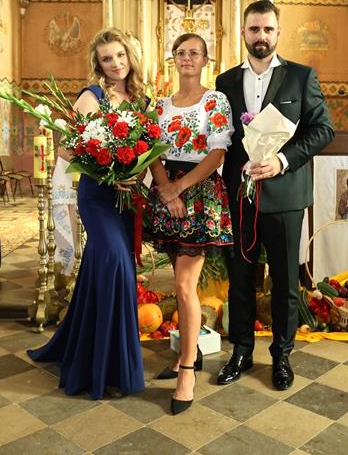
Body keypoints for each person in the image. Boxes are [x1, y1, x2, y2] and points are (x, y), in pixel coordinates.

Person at [215, 0, 334, 390]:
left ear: (278, 32)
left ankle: (282, 356)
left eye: (268, 29)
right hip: (240, 196)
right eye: (254, 29)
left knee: (284, 282)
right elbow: (221, 138)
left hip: (284, 197)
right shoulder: (225, 82)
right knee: (240, 280)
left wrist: (282, 160)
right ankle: (241, 352)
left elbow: (323, 130)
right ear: (243, 32)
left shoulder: (301, 77)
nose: (261, 36)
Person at [27, 28, 146, 400]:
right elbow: (68, 151)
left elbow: (147, 148)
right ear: (98, 64)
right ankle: (101, 367)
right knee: (115, 265)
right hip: (98, 197)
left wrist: (135, 173)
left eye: (120, 56)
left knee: (104, 269)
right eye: (107, 58)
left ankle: (91, 352)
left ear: (129, 57)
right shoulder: (91, 97)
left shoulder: (140, 99)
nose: (115, 64)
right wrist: (109, 171)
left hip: (126, 199)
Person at [145, 33, 234, 414]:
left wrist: (179, 188)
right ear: (174, 59)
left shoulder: (215, 101)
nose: (187, 58)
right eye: (180, 52)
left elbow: (217, 154)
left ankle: (186, 372)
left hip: (199, 193)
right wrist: (166, 189)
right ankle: (190, 350)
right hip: (167, 192)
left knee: (184, 285)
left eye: (194, 52)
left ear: (205, 60)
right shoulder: (160, 105)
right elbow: (151, 150)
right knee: (180, 285)